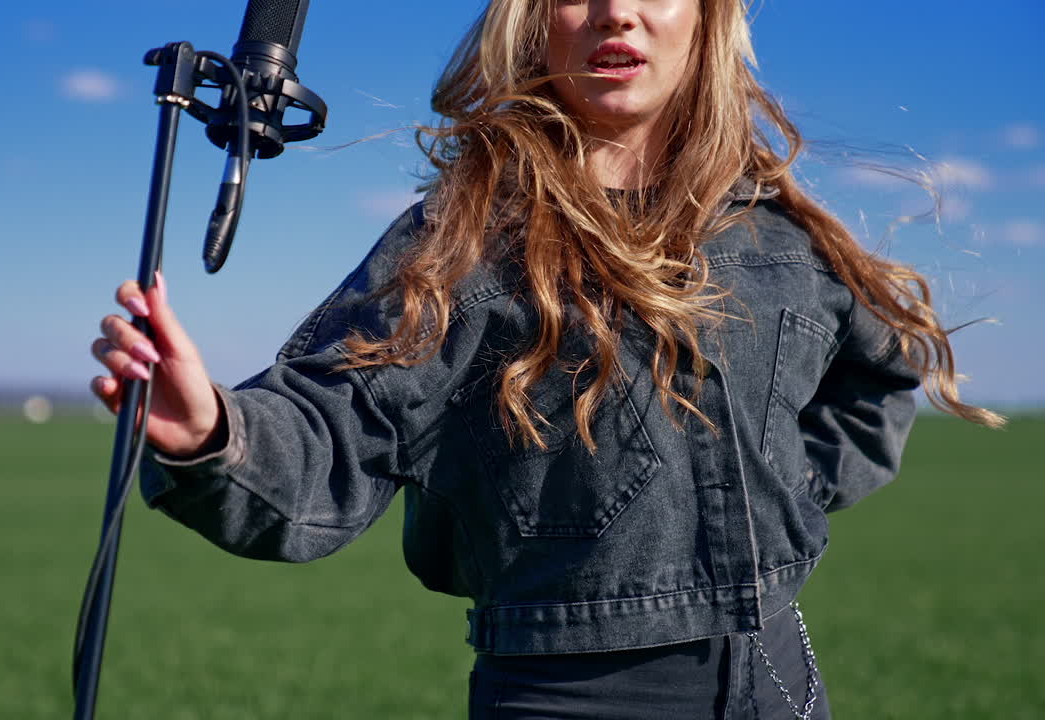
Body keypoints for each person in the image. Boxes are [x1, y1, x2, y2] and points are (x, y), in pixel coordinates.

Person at [88, 1, 1003, 717]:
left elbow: (877, 377)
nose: (615, 13)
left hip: (781, 686)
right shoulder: (465, 242)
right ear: (531, 22)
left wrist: (782, 496)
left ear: (707, 19)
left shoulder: (778, 235)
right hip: (563, 698)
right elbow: (333, 428)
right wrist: (209, 430)